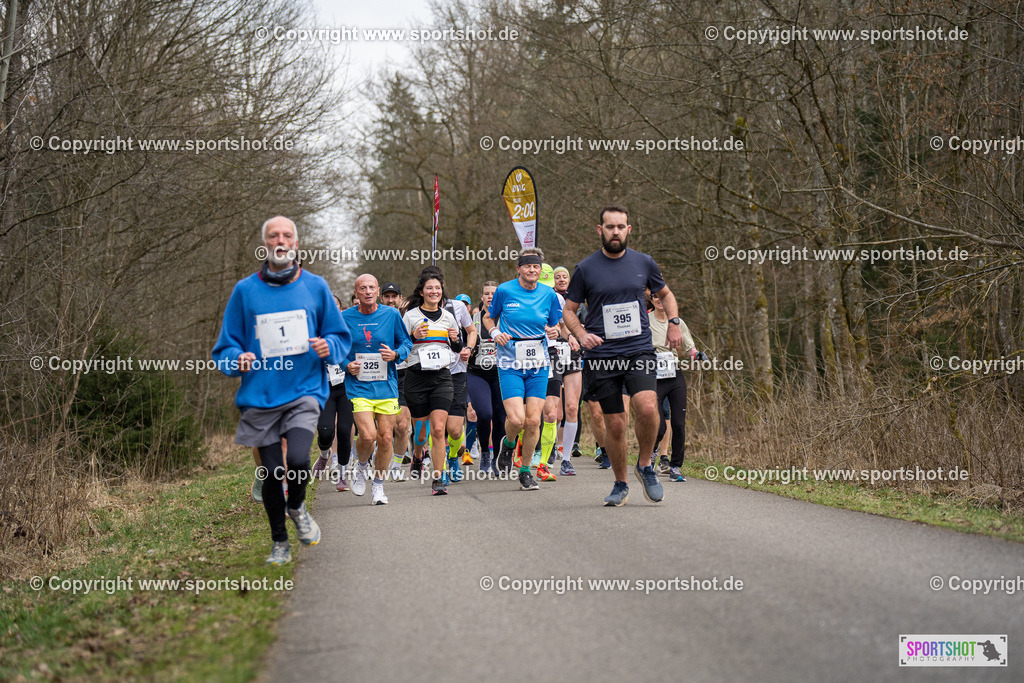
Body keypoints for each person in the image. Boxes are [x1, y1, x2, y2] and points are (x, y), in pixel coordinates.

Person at [213, 216, 350, 563]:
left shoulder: (315, 287)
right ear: (265, 243)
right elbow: (225, 347)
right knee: (272, 471)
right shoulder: (245, 291)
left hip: (304, 390)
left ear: (296, 244)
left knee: (298, 459)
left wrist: (328, 347)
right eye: (273, 235)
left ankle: (299, 507)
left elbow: (339, 336)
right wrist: (237, 359)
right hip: (260, 396)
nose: (280, 240)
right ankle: (280, 543)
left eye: (287, 235)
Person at [562, 203, 683, 506]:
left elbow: (665, 294)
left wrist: (673, 322)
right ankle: (620, 483)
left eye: (620, 227)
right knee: (615, 423)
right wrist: (580, 334)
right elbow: (569, 310)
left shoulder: (644, 262)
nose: (615, 232)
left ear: (629, 229)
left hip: (638, 350)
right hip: (602, 356)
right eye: (609, 226)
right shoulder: (586, 268)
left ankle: (645, 465)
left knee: (647, 407)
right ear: (599, 230)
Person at [489, 248, 562, 491]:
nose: (532, 270)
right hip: (510, 363)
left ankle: (525, 471)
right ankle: (508, 444)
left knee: (533, 421)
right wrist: (495, 332)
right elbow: (489, 318)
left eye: (536, 267)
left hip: (538, 364)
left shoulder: (548, 294)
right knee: (517, 419)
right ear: (518, 269)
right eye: (528, 266)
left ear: (540, 271)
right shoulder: (505, 290)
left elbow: (555, 325)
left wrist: (555, 331)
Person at [342, 275, 413, 504]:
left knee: (384, 438)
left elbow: (406, 343)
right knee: (368, 435)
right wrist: (346, 364)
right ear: (356, 293)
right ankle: (361, 467)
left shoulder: (391, 315)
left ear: (378, 290)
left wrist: (395, 354)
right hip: (359, 385)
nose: (368, 291)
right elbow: (335, 347)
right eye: (363, 288)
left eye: (372, 287)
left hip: (387, 385)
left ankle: (379, 487)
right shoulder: (344, 317)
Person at [401, 270, 464, 495]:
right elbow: (400, 348)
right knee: (421, 433)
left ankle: (438, 478)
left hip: (441, 377)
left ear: (442, 291)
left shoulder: (448, 316)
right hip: (416, 378)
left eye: (437, 288)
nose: (434, 291)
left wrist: (457, 340)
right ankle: (418, 455)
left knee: (438, 429)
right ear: (421, 292)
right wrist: (413, 336)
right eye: (429, 288)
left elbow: (457, 348)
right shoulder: (410, 316)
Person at [649, 289, 705, 482]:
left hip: (674, 373)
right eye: (655, 296)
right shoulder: (646, 320)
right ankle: (651, 453)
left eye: (662, 296)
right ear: (652, 299)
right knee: (658, 426)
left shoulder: (677, 323)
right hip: (653, 374)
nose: (659, 299)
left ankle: (675, 467)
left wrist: (697, 355)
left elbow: (690, 347)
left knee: (679, 423)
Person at [312, 294, 356, 492]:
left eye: (335, 307)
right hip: (324, 388)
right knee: (325, 431)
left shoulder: (348, 329)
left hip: (347, 386)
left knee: (345, 431)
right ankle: (323, 455)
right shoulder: (313, 330)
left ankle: (342, 474)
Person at [467, 281, 505, 475]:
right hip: (477, 373)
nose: (490, 297)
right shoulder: (472, 319)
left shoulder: (506, 318)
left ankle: (497, 457)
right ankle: (485, 452)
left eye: (494, 294)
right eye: (486, 294)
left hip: (502, 373)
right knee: (484, 414)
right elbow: (460, 342)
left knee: (501, 417)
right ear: (481, 297)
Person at [381, 281, 411, 482]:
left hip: (403, 374)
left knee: (402, 426)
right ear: (381, 298)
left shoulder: (409, 318)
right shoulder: (376, 318)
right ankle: (378, 456)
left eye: (394, 296)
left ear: (401, 299)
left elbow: (410, 345)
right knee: (382, 428)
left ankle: (397, 465)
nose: (391, 300)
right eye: (387, 296)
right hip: (379, 376)